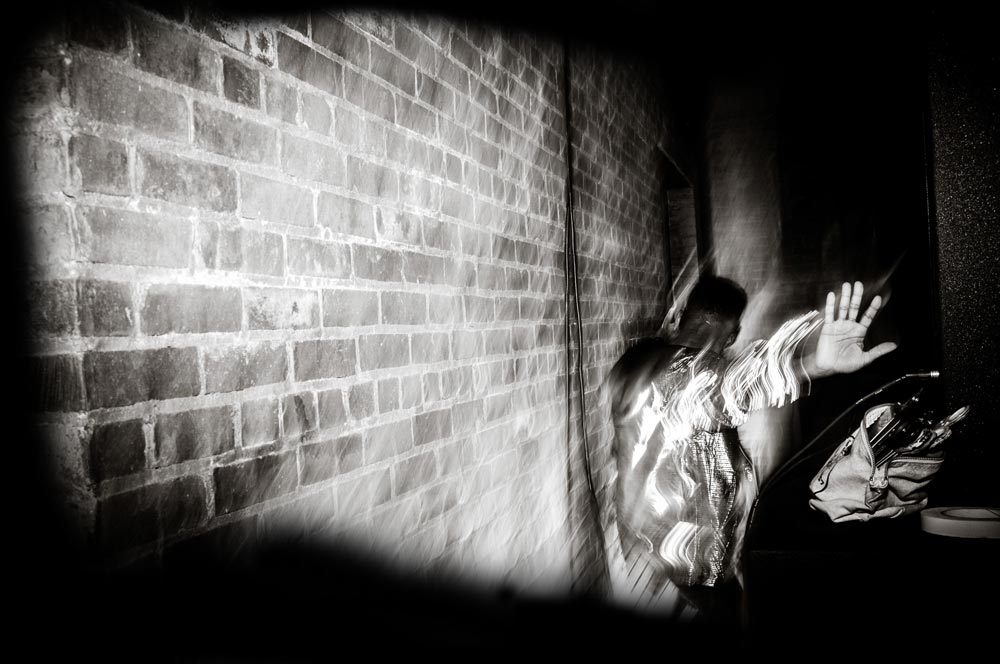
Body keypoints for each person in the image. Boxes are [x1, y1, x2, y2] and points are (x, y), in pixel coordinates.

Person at [604, 276, 896, 625]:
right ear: (732, 336)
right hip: (683, 579)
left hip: (662, 567)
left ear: (680, 315)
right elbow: (729, 384)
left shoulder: (636, 364)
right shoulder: (695, 376)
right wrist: (814, 365)